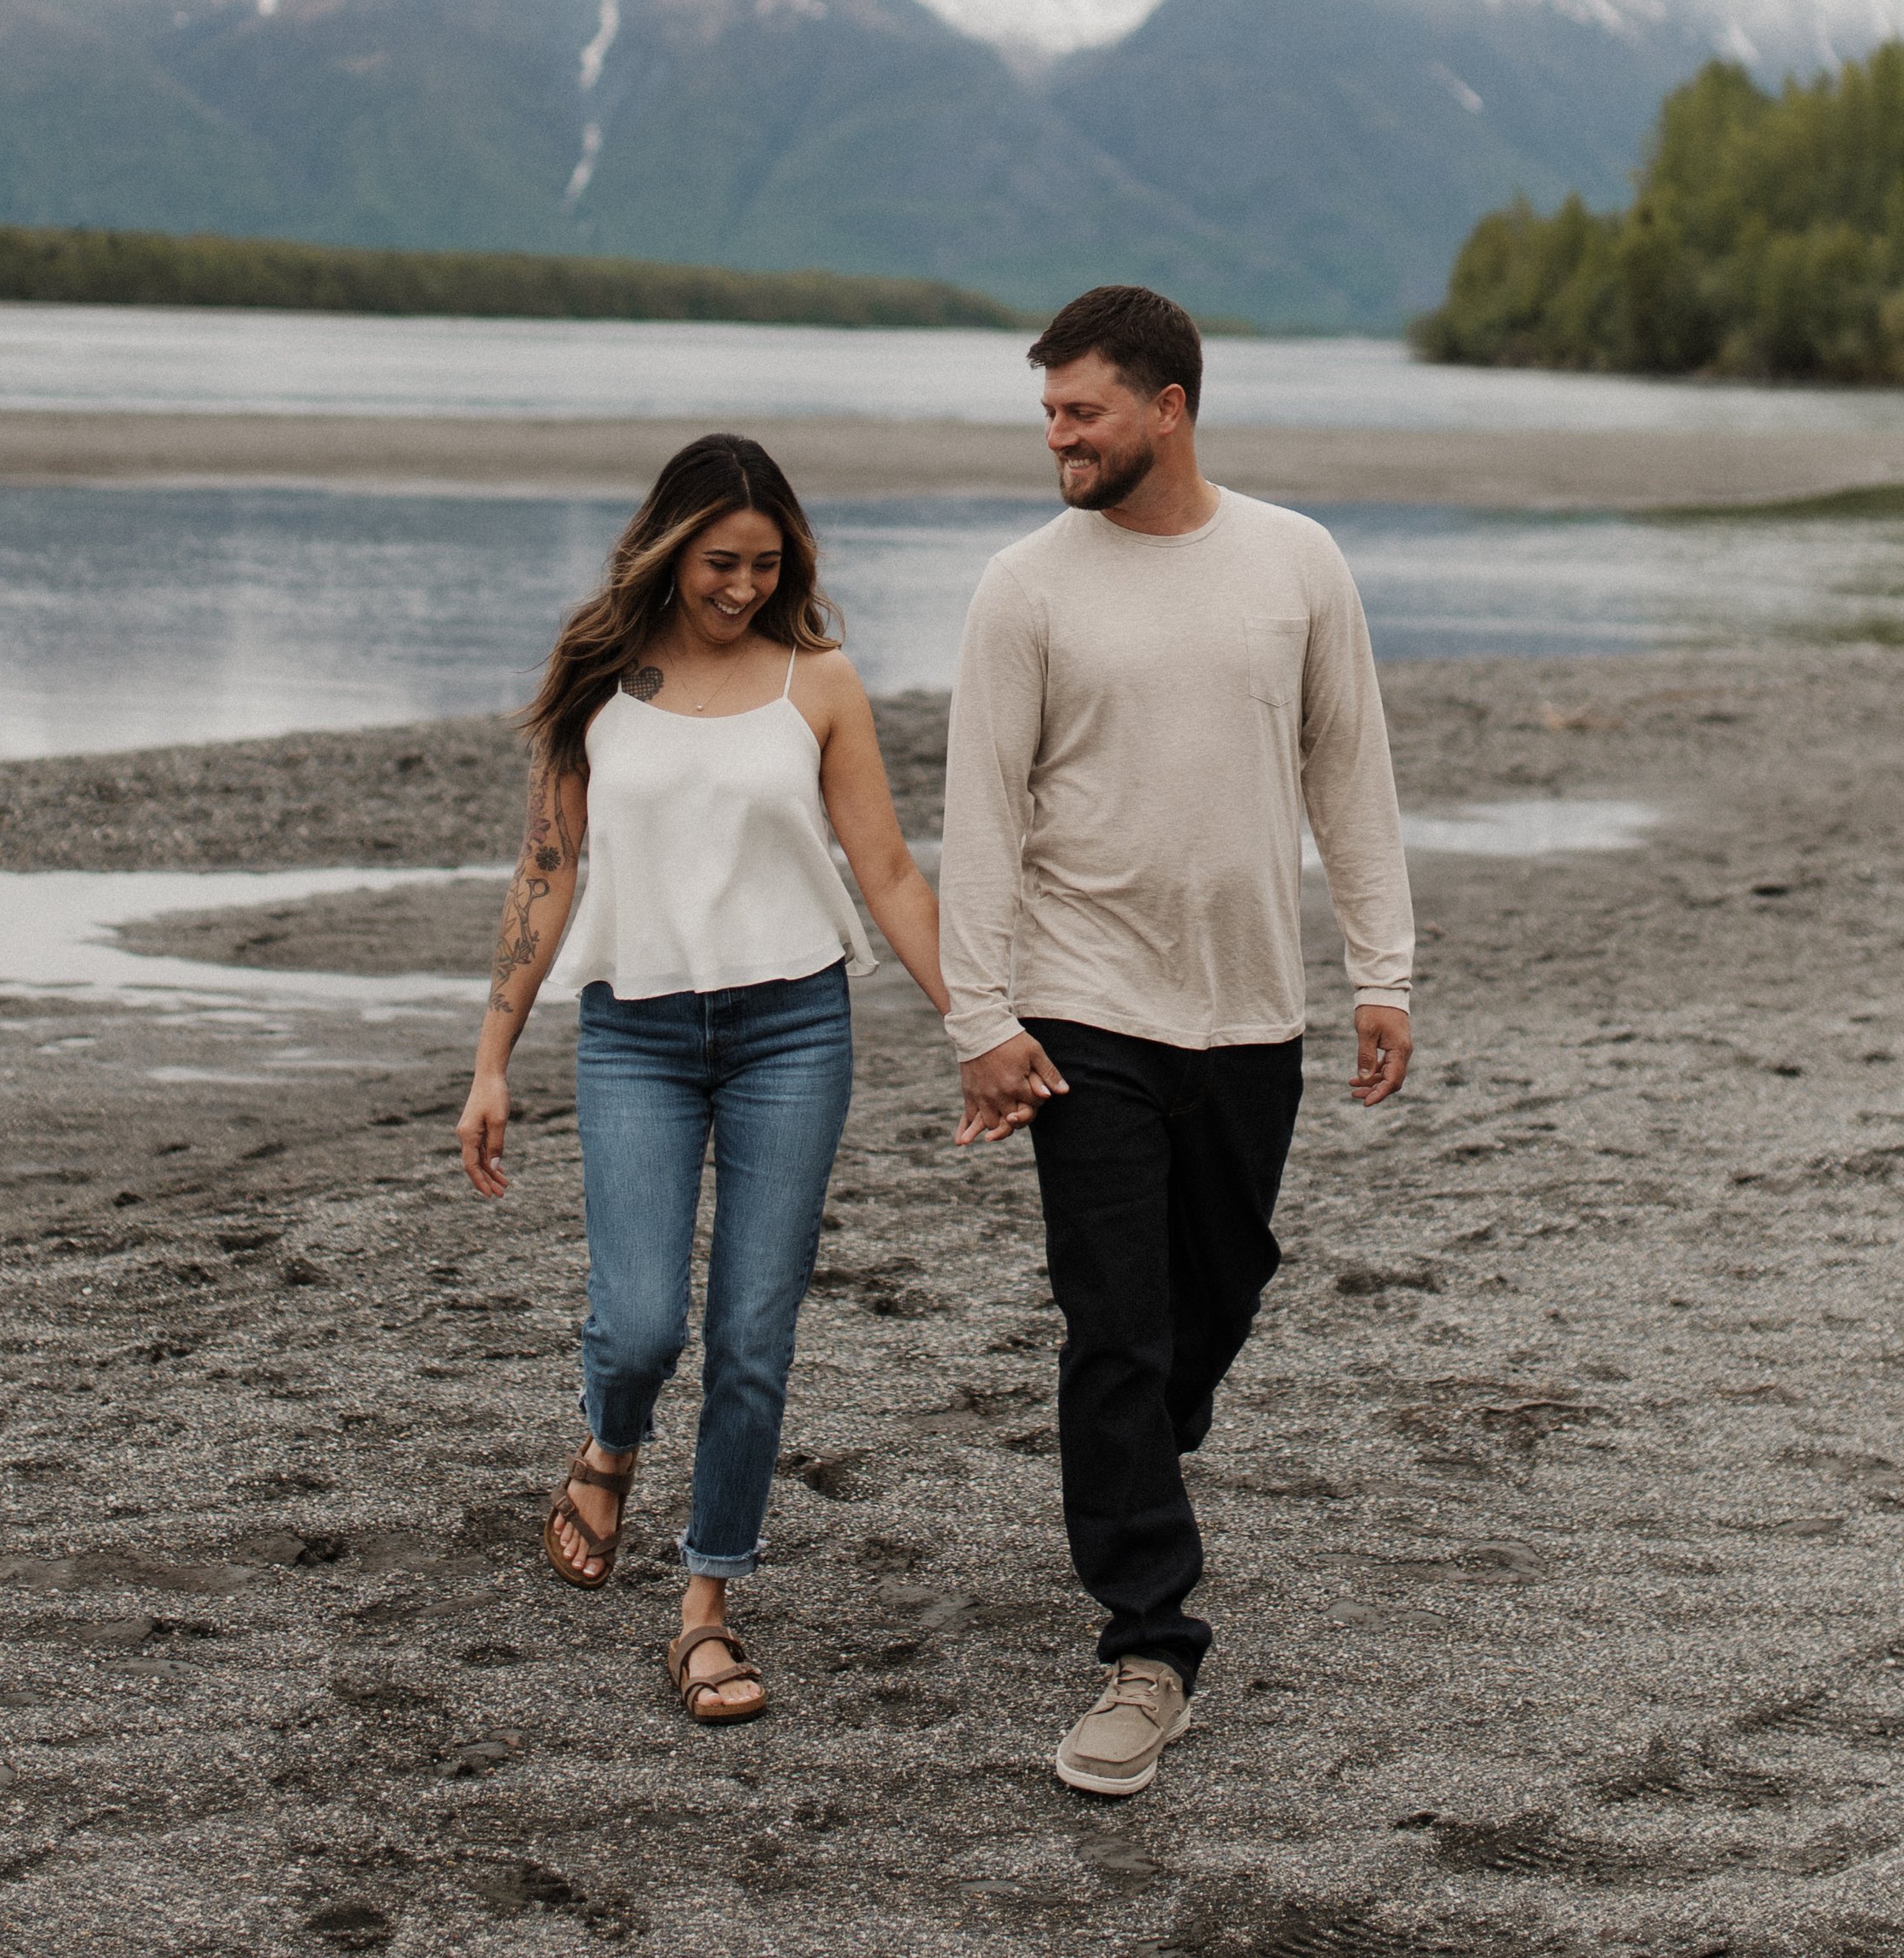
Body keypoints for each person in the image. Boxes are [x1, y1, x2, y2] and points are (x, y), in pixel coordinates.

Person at [939, 284, 1415, 1797]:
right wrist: (981, 1018)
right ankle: (1149, 1642)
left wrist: (1382, 971)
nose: (1060, 438)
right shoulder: (1024, 587)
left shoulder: (1295, 563)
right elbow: (980, 816)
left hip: (1252, 1012)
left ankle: (1149, 1431)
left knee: (1217, 1289)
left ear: (1169, 405)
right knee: (1115, 1327)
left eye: (1082, 411)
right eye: (1050, 414)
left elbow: (1351, 771)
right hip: (1084, 1012)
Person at [455, 431, 948, 1725]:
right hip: (636, 1034)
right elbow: (546, 872)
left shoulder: (821, 680)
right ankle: (609, 1444)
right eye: (719, 561)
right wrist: (491, 1059)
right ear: (670, 547)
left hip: (795, 1027)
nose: (739, 585)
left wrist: (980, 1021)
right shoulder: (598, 681)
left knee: (750, 1339)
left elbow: (888, 873)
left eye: (764, 563)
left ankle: (707, 1605)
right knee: (639, 1327)